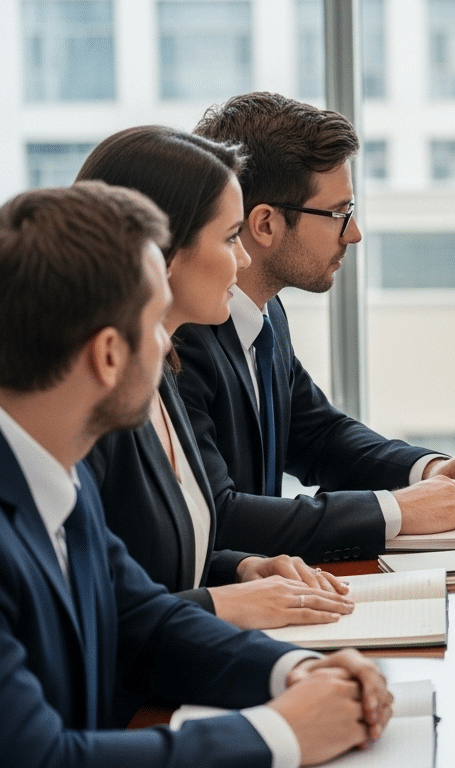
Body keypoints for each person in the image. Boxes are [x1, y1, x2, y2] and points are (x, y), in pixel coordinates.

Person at [0, 181, 391, 767]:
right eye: (158, 324)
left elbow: (144, 621)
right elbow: (42, 759)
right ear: (108, 355)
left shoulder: (58, 478)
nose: (169, 348)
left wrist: (298, 671)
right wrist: (281, 733)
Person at [179, 91, 455, 563]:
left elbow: (318, 437)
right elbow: (220, 517)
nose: (353, 233)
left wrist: (429, 469)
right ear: (265, 225)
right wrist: (395, 510)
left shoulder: (265, 314)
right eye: (339, 214)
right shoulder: (183, 339)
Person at [79, 125, 355, 631]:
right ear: (159, 252)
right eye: (230, 238)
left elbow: (152, 566)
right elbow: (103, 611)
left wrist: (238, 569)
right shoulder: (95, 408)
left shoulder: (161, 370)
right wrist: (222, 603)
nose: (243, 257)